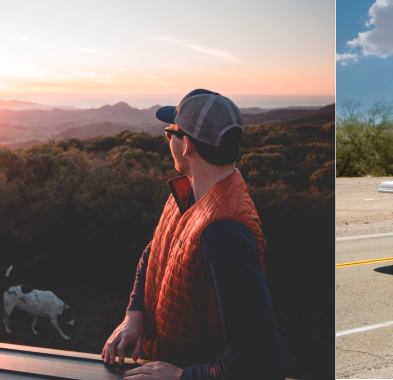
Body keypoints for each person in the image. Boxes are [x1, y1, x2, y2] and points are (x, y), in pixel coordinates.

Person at [102, 89, 287, 380]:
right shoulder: (189, 190)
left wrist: (181, 376)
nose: (168, 139)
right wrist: (134, 313)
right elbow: (156, 250)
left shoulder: (225, 230)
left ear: (186, 145)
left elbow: (260, 361)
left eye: (169, 132)